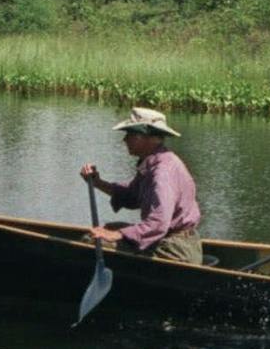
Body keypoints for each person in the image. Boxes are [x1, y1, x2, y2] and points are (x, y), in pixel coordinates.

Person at [80, 106, 203, 264]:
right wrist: (97, 182)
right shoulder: (153, 163)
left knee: (92, 242)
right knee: (110, 228)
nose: (124, 140)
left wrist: (118, 235)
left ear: (144, 136)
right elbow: (132, 196)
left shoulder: (162, 172)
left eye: (130, 134)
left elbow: (158, 224)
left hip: (176, 249)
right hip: (174, 241)